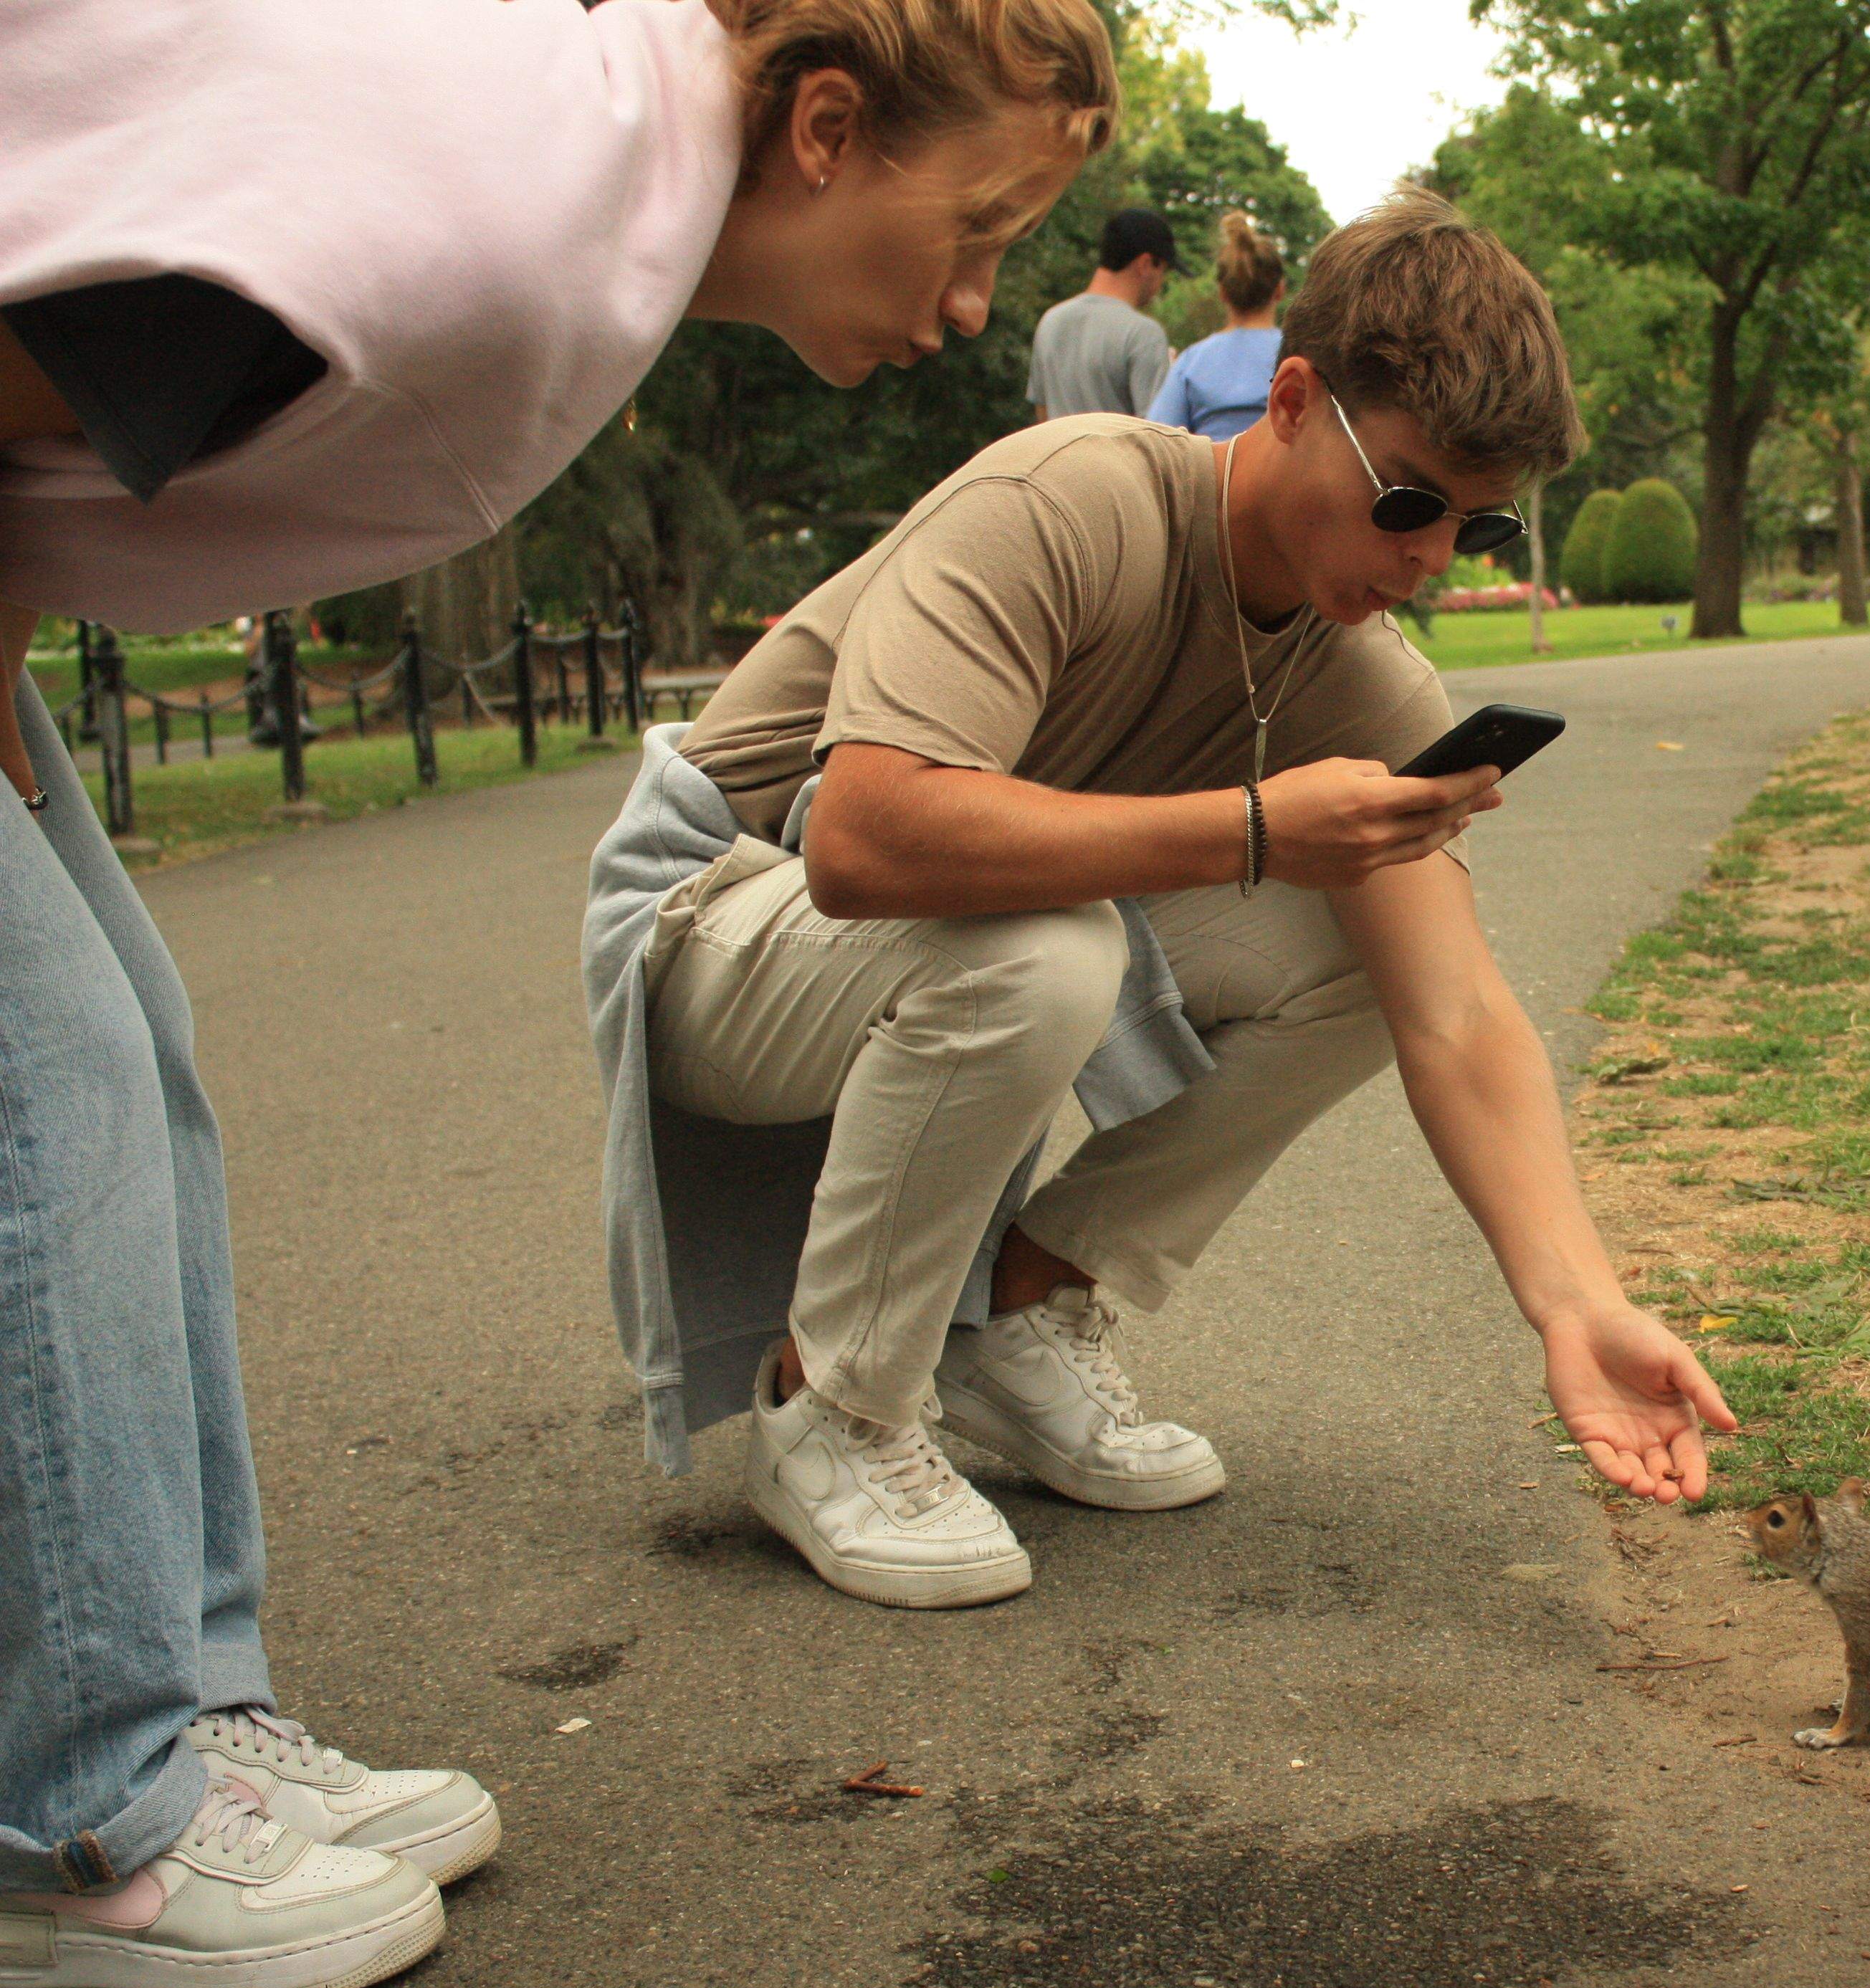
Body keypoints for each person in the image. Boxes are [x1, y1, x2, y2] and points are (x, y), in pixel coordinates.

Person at [0, 0, 1120, 1988]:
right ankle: (79, 1833)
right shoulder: (483, 207)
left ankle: (174, 1715)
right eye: (977, 225)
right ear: (829, 127)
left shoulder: (584, 183)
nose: (974, 305)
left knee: (132, 1063)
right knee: (40, 1094)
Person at [583, 186, 1738, 1617]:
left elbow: (1458, 1012)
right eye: (1410, 501)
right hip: (718, 909)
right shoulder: (1070, 500)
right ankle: (833, 1404)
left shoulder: (1361, 676)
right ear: (1296, 399)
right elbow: (866, 838)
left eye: (1483, 529)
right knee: (1047, 940)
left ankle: (1014, 1310)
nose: (1435, 556)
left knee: (1356, 944)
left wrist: (1579, 1302)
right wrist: (1253, 826)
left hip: (934, 936)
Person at [1147, 210, 1287, 442]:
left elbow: (1159, 440)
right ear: (1280, 290)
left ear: (1222, 293)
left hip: (1214, 475)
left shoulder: (1191, 362)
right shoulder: (1301, 355)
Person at [1029, 205, 1175, 422]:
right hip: (1119, 457)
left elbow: (1042, 413)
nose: (1160, 283)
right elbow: (1157, 433)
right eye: (1162, 270)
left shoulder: (1051, 320)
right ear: (1145, 264)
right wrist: (1170, 378)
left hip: (1062, 456)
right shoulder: (1144, 334)